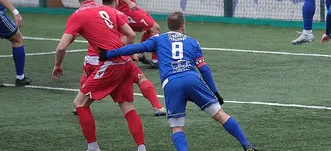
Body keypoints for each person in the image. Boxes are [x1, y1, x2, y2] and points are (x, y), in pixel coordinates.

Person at [100, 11, 259, 151]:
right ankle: (246, 144)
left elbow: (134, 48)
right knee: (220, 115)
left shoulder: (158, 39)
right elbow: (204, 69)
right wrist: (215, 92)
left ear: (168, 26)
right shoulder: (192, 42)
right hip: (192, 80)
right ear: (183, 26)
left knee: (177, 127)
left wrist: (109, 54)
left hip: (172, 83)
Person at [53, 0, 147, 151]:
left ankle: (93, 147)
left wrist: (58, 65)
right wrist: (122, 50)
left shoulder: (78, 15)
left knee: (80, 104)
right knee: (127, 107)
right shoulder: (109, 10)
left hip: (110, 65)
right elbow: (131, 34)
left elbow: (61, 47)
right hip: (125, 63)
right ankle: (141, 148)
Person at [71, 0, 166, 117]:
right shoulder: (119, 14)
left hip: (92, 58)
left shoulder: (93, 12)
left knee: (87, 77)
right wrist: (131, 52)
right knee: (139, 77)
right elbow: (124, 38)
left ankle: (78, 106)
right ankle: (158, 107)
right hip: (113, 59)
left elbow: (75, 33)